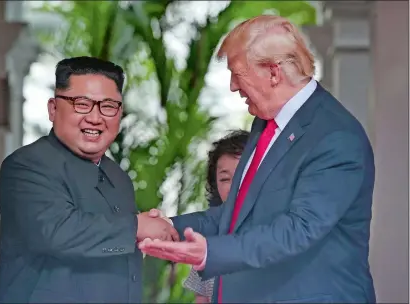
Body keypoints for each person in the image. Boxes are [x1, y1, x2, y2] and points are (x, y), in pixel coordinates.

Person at [140, 15, 376, 303]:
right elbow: (239, 216)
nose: (232, 87)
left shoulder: (335, 135)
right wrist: (167, 227)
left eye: (237, 73)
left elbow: (299, 230)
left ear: (274, 72)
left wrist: (210, 253)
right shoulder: (266, 124)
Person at [0, 56, 179, 303]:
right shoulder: (27, 165)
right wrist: (137, 227)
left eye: (108, 106)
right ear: (53, 108)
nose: (95, 117)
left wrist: (154, 231)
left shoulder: (118, 177)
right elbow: (58, 232)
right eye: (82, 104)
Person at [183, 130, 249, 303]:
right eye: (225, 179)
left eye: (245, 176)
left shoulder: (284, 232)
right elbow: (202, 298)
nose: (235, 187)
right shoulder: (209, 237)